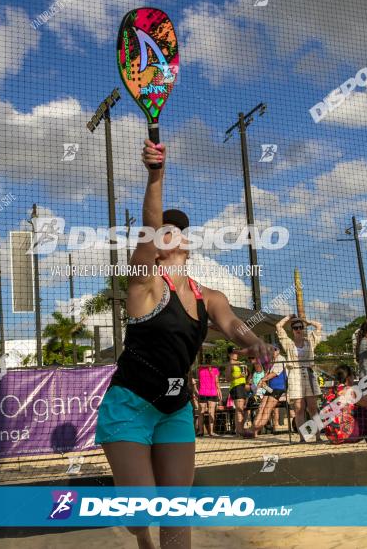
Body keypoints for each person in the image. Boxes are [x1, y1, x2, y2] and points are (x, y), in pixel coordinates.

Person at [95, 139, 272, 549]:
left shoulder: (209, 295)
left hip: (175, 408)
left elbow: (231, 325)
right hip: (130, 406)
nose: (175, 233)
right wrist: (156, 176)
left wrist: (253, 343)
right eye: (166, 230)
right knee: (141, 513)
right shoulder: (144, 284)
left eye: (180, 230)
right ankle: (142, 538)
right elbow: (151, 225)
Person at [276, 315, 323, 442]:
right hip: (295, 374)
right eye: (295, 327)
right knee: (298, 408)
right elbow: (278, 326)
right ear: (292, 329)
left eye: (300, 327)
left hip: (309, 373)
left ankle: (318, 436)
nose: (298, 329)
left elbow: (319, 326)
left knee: (313, 407)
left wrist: (307, 321)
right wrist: (287, 318)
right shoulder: (288, 343)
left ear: (303, 328)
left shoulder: (310, 341)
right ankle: (303, 438)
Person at [244, 346, 287, 438]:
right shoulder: (271, 361)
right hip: (270, 388)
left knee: (267, 411)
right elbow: (267, 373)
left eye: (274, 350)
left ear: (278, 351)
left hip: (278, 388)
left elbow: (273, 374)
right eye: (270, 350)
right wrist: (262, 383)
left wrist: (262, 380)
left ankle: (253, 430)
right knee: (261, 408)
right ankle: (254, 431)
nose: (272, 352)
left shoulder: (281, 359)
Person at [225, 346, 248, 436]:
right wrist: (238, 376)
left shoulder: (241, 363)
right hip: (236, 387)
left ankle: (239, 430)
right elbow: (227, 378)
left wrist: (245, 373)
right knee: (239, 409)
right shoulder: (230, 364)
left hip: (242, 386)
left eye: (236, 352)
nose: (236, 354)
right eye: (233, 352)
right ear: (229, 354)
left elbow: (245, 375)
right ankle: (240, 431)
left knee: (241, 410)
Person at [196, 354, 220, 437]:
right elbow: (217, 382)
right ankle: (211, 432)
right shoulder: (213, 369)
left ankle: (200, 431)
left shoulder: (200, 368)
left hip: (204, 391)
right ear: (211, 360)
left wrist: (197, 391)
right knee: (210, 412)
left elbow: (198, 382)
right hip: (210, 392)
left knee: (201, 412)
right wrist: (219, 391)